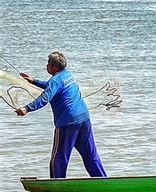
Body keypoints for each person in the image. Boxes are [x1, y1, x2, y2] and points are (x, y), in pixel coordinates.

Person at [15, 51, 107, 179]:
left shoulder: (55, 81)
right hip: (84, 118)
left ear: (55, 67)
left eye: (48, 64)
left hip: (67, 122)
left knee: (58, 157)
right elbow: (53, 86)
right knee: (90, 155)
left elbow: (45, 98)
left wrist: (27, 108)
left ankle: (56, 184)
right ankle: (102, 180)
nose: (46, 66)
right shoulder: (68, 75)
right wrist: (33, 81)